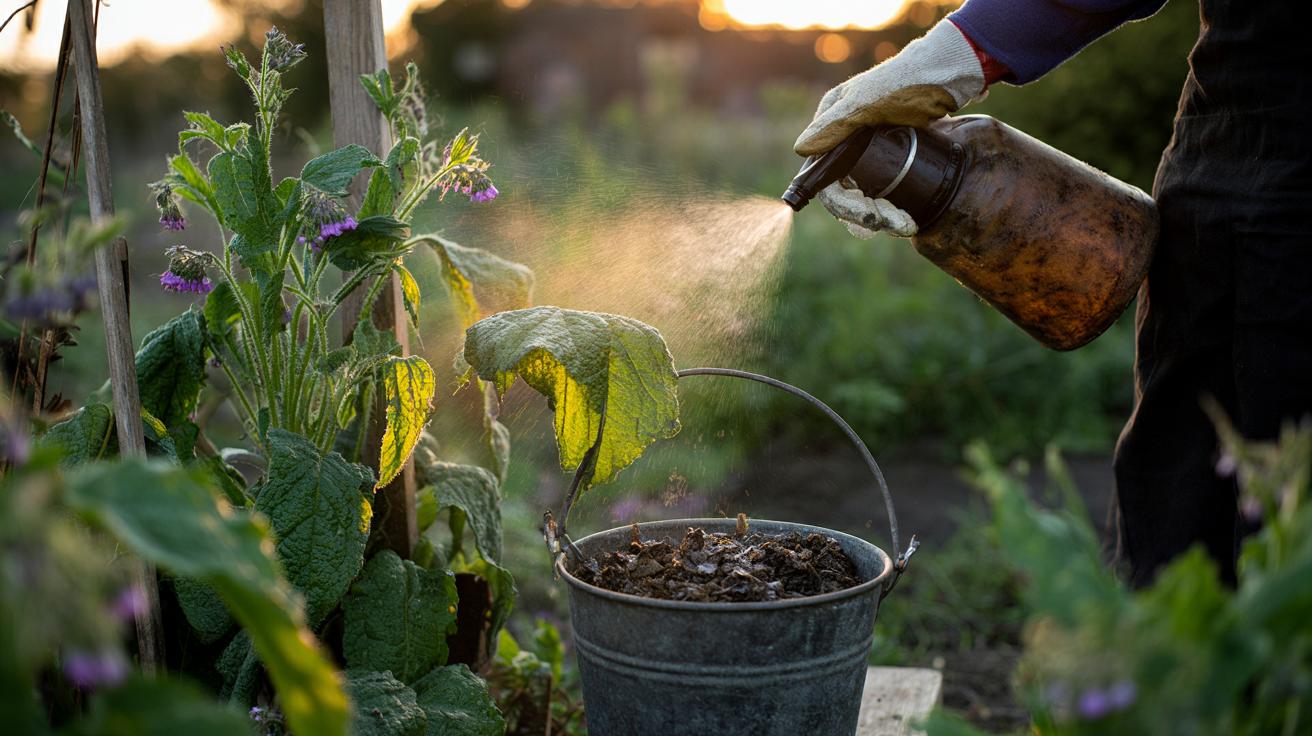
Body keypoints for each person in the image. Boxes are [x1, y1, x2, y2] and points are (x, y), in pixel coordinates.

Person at [795, 0, 1312, 588]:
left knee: (1293, 494)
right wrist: (953, 53)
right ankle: (1170, 670)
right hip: (1227, 112)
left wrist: (960, 48)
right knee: (1177, 484)